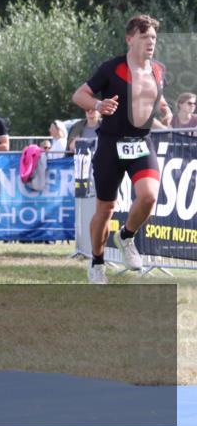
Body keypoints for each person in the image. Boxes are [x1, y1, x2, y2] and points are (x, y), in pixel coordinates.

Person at [71, 15, 172, 284]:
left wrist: (165, 112)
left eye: (153, 37)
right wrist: (97, 105)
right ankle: (97, 261)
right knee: (105, 209)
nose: (150, 42)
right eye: (144, 37)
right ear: (130, 39)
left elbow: (149, 102)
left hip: (141, 143)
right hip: (111, 144)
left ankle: (126, 236)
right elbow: (79, 95)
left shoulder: (159, 70)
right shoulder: (112, 68)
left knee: (149, 196)